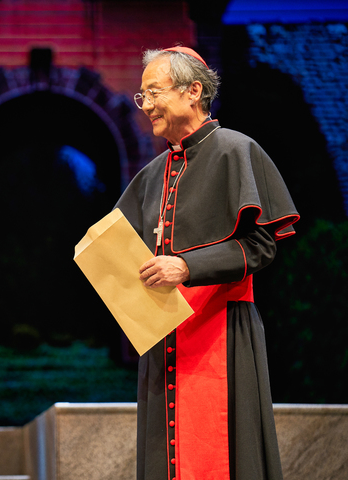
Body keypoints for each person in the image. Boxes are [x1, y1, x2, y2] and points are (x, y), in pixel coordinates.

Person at [114, 47, 299, 480]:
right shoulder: (151, 174)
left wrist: (187, 267)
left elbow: (261, 245)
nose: (146, 107)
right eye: (141, 97)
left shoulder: (237, 151)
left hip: (222, 331)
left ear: (193, 91)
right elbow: (124, 250)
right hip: (165, 339)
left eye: (153, 92)